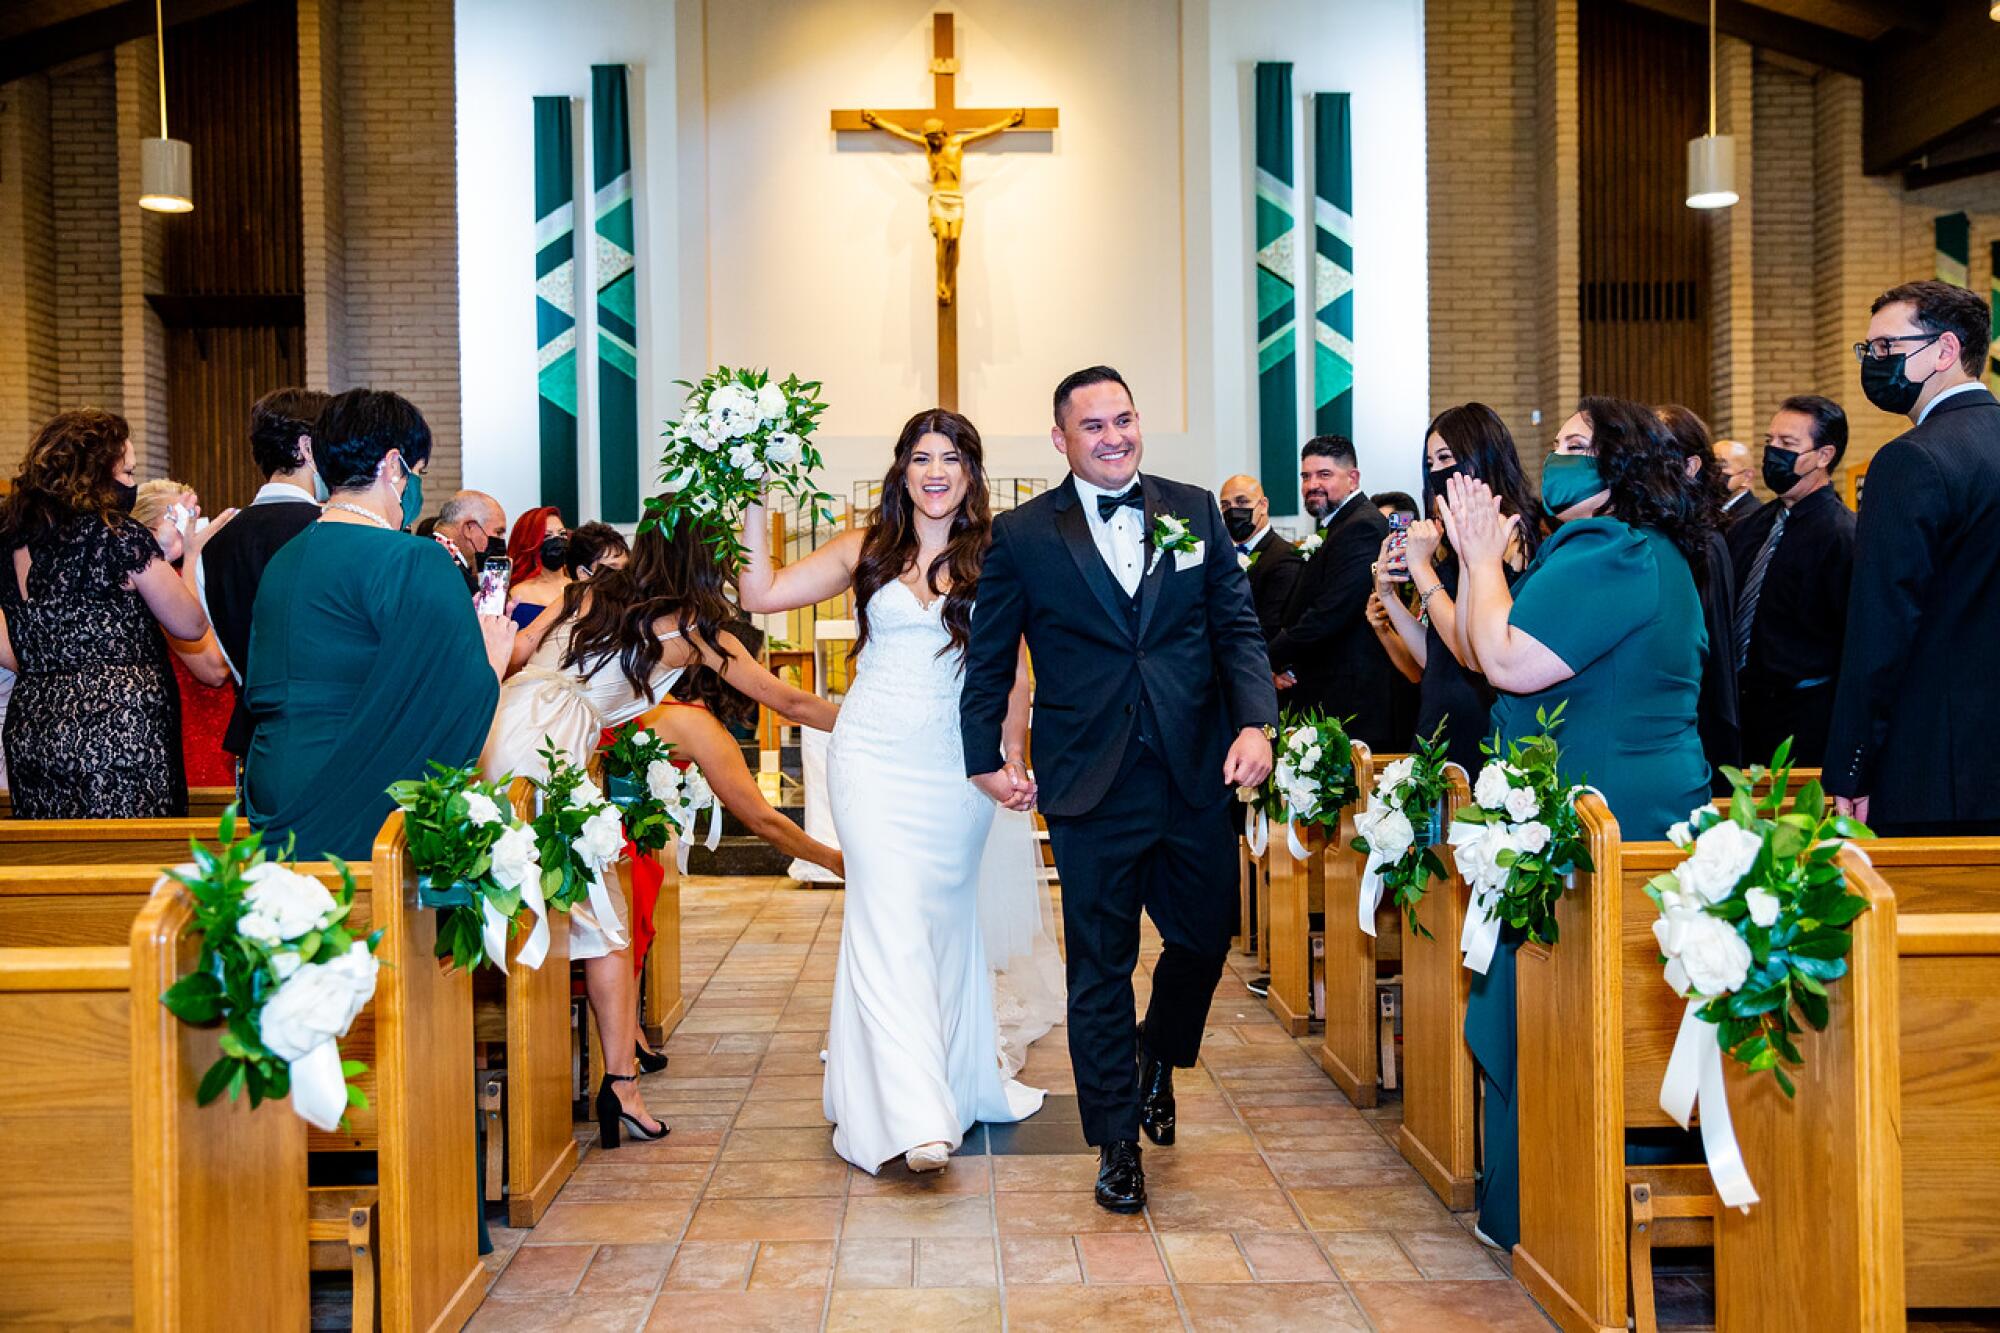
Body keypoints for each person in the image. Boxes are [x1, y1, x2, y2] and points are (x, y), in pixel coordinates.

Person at [960, 367, 1277, 1213]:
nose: (1113, 436)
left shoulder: (1192, 507)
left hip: (1192, 767)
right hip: (1089, 781)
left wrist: (1256, 723)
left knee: (1206, 938)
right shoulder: (1025, 535)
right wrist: (981, 753)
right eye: (1092, 426)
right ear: (1060, 439)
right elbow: (991, 655)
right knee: (1100, 964)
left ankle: (1156, 1054)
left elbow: (1235, 626)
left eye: (1124, 419)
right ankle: (1114, 1142)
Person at [738, 407, 1048, 1176]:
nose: (935, 469)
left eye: (950, 456)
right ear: (902, 470)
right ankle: (914, 1114)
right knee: (887, 918)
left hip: (956, 765)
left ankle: (944, 1074)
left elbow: (1015, 670)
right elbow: (760, 594)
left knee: (941, 918)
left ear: (971, 472)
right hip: (872, 757)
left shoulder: (997, 554)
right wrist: (751, 491)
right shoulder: (865, 547)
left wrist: (1009, 756)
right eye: (920, 456)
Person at [1440, 395, 1712, 1254]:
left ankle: (1572, 1213)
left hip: (1606, 827)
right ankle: (1564, 1206)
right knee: (1575, 1019)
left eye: (1575, 445)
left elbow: (1506, 659)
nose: (1555, 457)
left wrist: (1483, 558)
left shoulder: (1613, 550)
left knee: (1581, 1025)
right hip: (1609, 816)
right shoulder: (1633, 549)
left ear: (1622, 463)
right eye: (1553, 441)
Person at [486, 521, 841, 1148]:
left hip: (505, 723)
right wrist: (878, 721)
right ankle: (617, 1086)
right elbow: (787, 703)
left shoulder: (583, 593)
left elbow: (516, 654)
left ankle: (557, 1074)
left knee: (528, 895)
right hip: (550, 748)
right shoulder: (693, 631)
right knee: (602, 923)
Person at [243, 389, 515, 860]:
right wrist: (491, 663)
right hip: (354, 786)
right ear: (393, 466)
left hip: (273, 781)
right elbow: (453, 706)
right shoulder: (413, 560)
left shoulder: (285, 558)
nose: (414, 488)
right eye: (417, 473)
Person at [1826, 280, 2000, 835]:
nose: (1874, 361)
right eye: (1869, 350)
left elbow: (1881, 626)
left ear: (1946, 351)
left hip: (1936, 766)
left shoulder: (1911, 460)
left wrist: (1851, 767)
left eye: (1886, 348)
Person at [0, 410, 214, 818]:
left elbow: (16, 646)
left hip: (37, 730)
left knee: (53, 865)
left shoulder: (14, 541)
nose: (131, 485)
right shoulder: (117, 536)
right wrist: (190, 556)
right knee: (137, 858)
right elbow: (190, 624)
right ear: (97, 474)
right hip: (121, 733)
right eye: (129, 474)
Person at [1372, 404, 1544, 773]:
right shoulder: (1457, 533)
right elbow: (1436, 656)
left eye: (1446, 458)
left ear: (1480, 456)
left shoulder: (1502, 532)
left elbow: (1467, 649)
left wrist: (1421, 568)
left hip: (1476, 717)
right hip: (1439, 713)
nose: (1436, 472)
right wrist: (1388, 598)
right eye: (1430, 463)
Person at [190, 387, 329, 765]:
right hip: (327, 742)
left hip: (255, 745)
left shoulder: (213, 545)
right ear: (307, 447)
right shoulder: (333, 531)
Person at [1728, 395, 1855, 770]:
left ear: (1823, 455)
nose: (1773, 453)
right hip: (1740, 713)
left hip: (1803, 722)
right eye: (1770, 442)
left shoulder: (1843, 537)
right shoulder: (1749, 528)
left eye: (1787, 445)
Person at [1267, 435, 1394, 748]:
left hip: (1350, 698)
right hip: (1329, 687)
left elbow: (1330, 613)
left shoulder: (1361, 526)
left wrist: (1267, 658)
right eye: (1306, 476)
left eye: (1324, 475)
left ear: (1353, 478)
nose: (1312, 485)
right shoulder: (1341, 525)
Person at [1656, 404, 1741, 783]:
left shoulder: (1701, 540)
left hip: (1694, 727)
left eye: (1656, 456)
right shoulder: (1678, 533)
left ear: (1690, 467)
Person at [132, 480, 236, 787]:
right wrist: (191, 556)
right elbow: (212, 668)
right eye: (181, 517)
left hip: (208, 723)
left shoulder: (181, 576)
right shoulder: (160, 585)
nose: (193, 527)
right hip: (195, 726)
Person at [1217, 474, 1304, 641]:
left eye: (1242, 502)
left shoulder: (1285, 557)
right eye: (1225, 505)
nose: (1233, 511)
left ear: (1263, 505)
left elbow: (1271, 628)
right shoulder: (1222, 556)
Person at [504, 505, 569, 629]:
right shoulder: (519, 593)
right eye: (547, 536)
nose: (558, 540)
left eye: (562, 534)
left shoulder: (579, 585)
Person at [434, 490, 507, 589]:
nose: (502, 540)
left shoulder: (431, 554)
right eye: (498, 532)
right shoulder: (448, 570)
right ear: (469, 529)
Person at [1715, 438, 1756, 526]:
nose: (1714, 471)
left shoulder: (1751, 517)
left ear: (1747, 477)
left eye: (1721, 465)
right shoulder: (1714, 510)